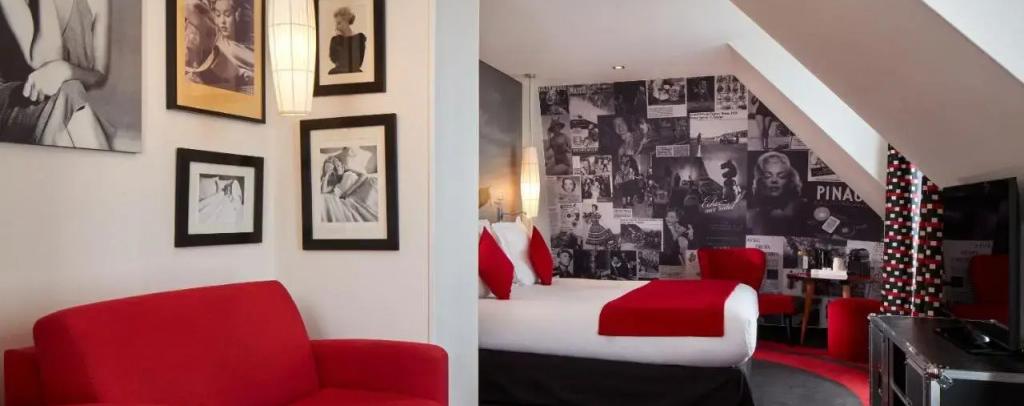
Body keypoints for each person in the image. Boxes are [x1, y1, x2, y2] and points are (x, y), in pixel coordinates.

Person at [0, 0, 112, 149]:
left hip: (63, 102)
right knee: (68, 97)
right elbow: (46, 59)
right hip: (11, 101)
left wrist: (66, 71)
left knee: (69, 97)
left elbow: (99, 75)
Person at [185, 0, 254, 94]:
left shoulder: (249, 45)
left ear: (237, 15)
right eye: (218, 15)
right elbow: (190, 8)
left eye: (227, 15)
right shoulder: (216, 39)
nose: (222, 21)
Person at [748, 151, 804, 234]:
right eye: (767, 176)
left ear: (790, 180)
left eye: (781, 176)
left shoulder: (802, 210)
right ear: (759, 180)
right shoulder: (750, 216)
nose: (774, 180)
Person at [319, 148, 379, 223]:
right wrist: (327, 174)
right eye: (334, 169)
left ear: (341, 165)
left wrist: (348, 192)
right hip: (354, 200)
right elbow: (323, 192)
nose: (338, 169)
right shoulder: (335, 183)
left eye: (338, 165)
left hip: (366, 186)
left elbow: (364, 176)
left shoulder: (347, 170)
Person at [328, 6, 366, 74]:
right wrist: (339, 39)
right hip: (338, 72)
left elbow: (358, 62)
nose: (336, 27)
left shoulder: (359, 39)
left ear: (346, 21)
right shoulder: (335, 40)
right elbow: (334, 59)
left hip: (354, 72)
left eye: (339, 23)